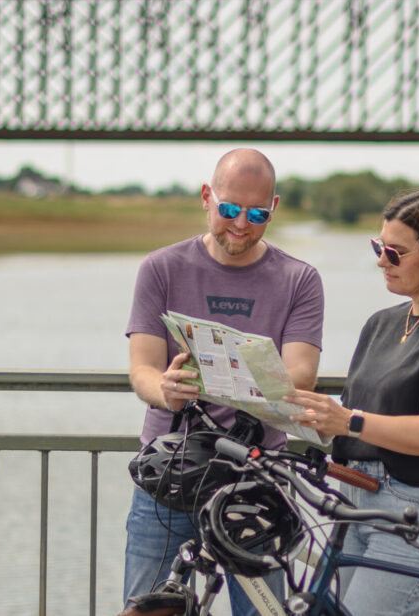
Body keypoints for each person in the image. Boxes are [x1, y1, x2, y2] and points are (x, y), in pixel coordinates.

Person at [122, 147, 324, 615]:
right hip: (171, 473)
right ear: (206, 197)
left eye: (256, 214)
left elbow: (300, 374)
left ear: (273, 209)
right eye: (230, 209)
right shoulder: (161, 267)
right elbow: (143, 369)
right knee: (149, 607)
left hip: (257, 478)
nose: (241, 224)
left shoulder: (299, 279)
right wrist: (166, 390)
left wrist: (231, 372)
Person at [285, 189, 419, 616]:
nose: (381, 260)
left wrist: (350, 422)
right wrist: (319, 420)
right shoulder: (380, 324)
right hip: (353, 503)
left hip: (417, 513)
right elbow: (356, 419)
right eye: (378, 247)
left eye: (395, 253)